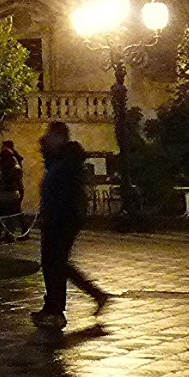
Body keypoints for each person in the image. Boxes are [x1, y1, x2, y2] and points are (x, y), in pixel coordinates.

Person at [32, 121, 109, 329]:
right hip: (56, 217)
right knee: (55, 263)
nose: (46, 138)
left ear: (60, 137)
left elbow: (66, 192)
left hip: (64, 218)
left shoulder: (69, 162)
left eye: (50, 135)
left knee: (54, 262)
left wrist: (55, 215)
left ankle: (57, 311)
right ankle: (63, 304)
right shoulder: (59, 160)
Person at [0, 140, 25, 242]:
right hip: (3, 192)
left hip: (10, 192)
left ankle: (9, 234)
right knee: (2, 214)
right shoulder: (1, 165)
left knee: (11, 215)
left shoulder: (14, 165)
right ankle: (1, 233)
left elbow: (17, 176)